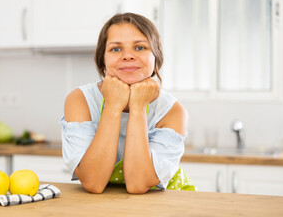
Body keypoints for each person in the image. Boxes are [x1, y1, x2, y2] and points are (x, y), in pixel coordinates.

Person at [61, 12, 189, 194]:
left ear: (156, 57)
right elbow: (93, 182)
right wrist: (113, 106)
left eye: (140, 48)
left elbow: (138, 184)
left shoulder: (173, 111)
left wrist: (138, 107)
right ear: (102, 60)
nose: (128, 56)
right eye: (115, 49)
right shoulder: (79, 100)